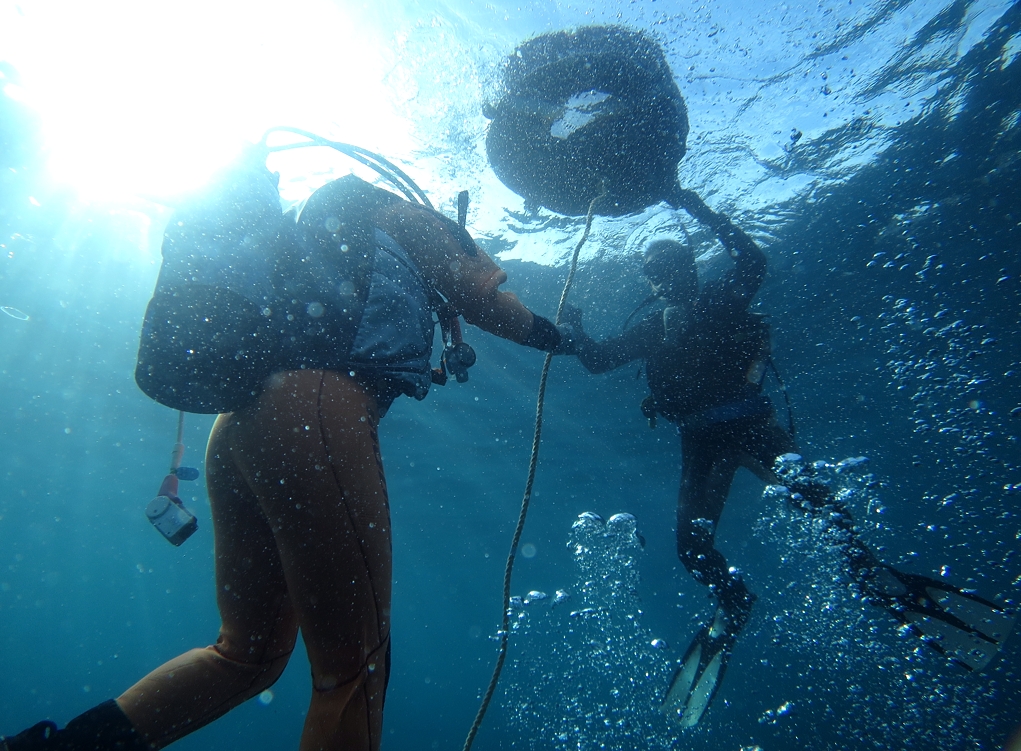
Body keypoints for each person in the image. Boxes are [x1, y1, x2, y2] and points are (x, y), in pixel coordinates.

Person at [1, 153, 574, 751]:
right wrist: (564, 339)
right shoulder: (394, 212)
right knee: (353, 670)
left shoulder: (309, 237)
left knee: (245, 655)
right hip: (312, 417)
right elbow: (485, 300)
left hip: (238, 429)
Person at [564, 187, 1013, 727]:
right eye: (655, 270)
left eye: (672, 264)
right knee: (690, 549)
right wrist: (573, 327)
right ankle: (735, 602)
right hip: (703, 443)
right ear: (651, 281)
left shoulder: (725, 298)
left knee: (827, 520)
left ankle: (874, 579)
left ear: (689, 266)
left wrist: (692, 204)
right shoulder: (652, 328)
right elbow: (596, 360)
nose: (664, 277)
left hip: (755, 429)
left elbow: (754, 258)